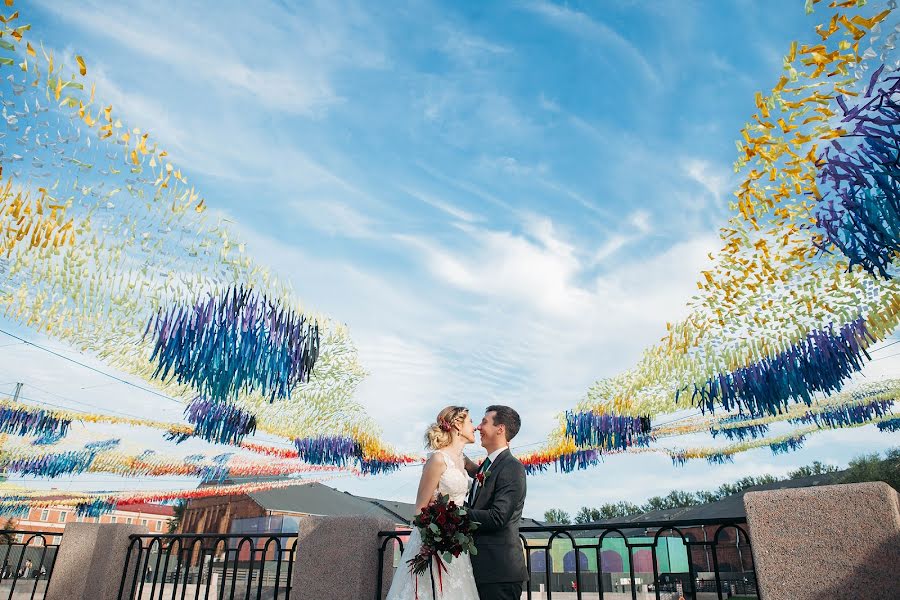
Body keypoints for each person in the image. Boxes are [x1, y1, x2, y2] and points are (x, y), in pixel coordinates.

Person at [385, 406, 480, 600]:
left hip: (455, 543)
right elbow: (420, 509)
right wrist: (435, 539)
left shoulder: (462, 459)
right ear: (457, 425)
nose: (475, 427)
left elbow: (482, 473)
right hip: (434, 542)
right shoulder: (438, 459)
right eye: (470, 422)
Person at [464, 405, 528, 600]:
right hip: (481, 569)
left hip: (499, 572)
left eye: (484, 422)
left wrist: (456, 514)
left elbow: (497, 517)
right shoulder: (487, 465)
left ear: (500, 429)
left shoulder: (512, 467)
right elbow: (483, 483)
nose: (478, 428)